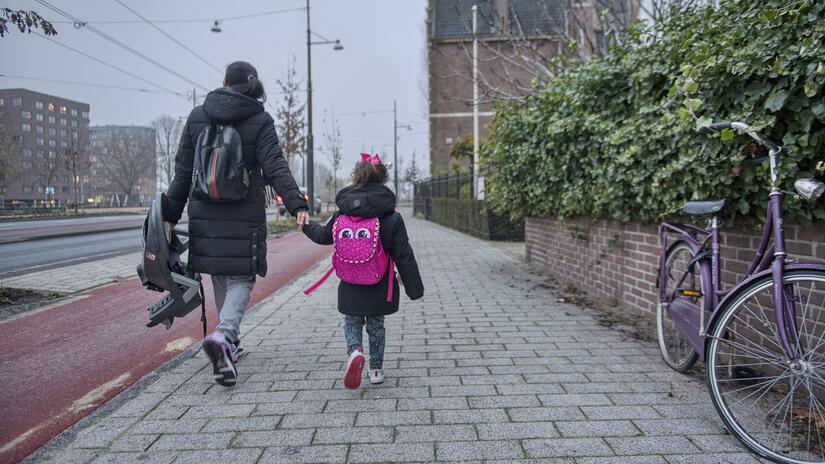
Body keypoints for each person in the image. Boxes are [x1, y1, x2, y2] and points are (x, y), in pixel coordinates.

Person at [164, 61, 309, 386]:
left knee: (219, 271)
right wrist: (296, 203)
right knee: (241, 277)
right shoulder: (259, 119)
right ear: (253, 86)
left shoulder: (197, 117)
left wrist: (169, 217)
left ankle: (230, 345)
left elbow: (183, 173)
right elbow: (275, 166)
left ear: (224, 82)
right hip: (244, 211)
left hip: (204, 211)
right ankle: (225, 336)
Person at [302, 154, 424, 389]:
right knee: (376, 325)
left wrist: (305, 225)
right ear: (383, 179)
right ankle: (376, 370)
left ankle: (355, 352)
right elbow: (404, 255)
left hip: (349, 282)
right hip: (379, 283)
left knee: (352, 320)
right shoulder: (391, 217)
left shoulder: (342, 214)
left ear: (356, 177)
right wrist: (414, 288)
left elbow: (322, 236)